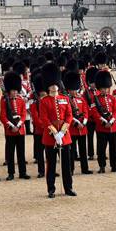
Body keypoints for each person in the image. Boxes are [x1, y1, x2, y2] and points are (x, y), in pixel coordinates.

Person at [37, 65, 75, 198]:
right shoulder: (44, 101)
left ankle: (68, 188)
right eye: (51, 85)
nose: (54, 86)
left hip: (64, 136)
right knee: (51, 165)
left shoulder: (64, 99)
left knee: (66, 165)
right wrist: (54, 132)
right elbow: (44, 119)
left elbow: (69, 116)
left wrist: (62, 132)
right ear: (48, 87)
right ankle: (51, 189)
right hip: (50, 137)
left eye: (55, 84)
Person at [89, 69, 116, 173]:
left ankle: (115, 166)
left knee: (113, 148)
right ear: (100, 88)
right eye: (103, 88)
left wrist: (112, 121)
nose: (105, 90)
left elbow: (115, 110)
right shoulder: (95, 99)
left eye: (106, 88)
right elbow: (95, 113)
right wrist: (104, 122)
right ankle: (102, 166)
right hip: (101, 127)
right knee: (101, 149)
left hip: (113, 127)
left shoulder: (112, 98)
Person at [0, 70, 29, 180]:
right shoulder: (4, 101)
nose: (15, 92)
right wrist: (11, 126)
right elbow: (2, 116)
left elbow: (23, 114)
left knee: (21, 153)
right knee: (10, 153)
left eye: (16, 90)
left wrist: (19, 125)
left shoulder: (21, 100)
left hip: (20, 130)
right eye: (13, 90)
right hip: (10, 131)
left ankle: (23, 172)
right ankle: (11, 173)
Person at [63, 70, 92, 175]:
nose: (74, 92)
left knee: (83, 150)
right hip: (72, 129)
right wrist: (76, 123)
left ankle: (85, 168)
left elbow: (85, 112)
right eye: (72, 90)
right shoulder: (66, 100)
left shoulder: (81, 99)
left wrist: (83, 123)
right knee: (72, 151)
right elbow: (67, 115)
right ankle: (71, 169)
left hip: (82, 128)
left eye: (75, 89)